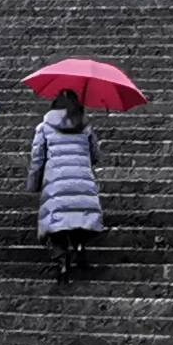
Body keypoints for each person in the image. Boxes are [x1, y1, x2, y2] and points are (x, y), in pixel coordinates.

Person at [30, 91, 105, 280]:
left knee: (57, 222)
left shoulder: (44, 127)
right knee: (80, 214)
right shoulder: (85, 126)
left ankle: (62, 261)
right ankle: (80, 245)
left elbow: (37, 159)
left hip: (56, 182)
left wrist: (33, 183)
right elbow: (95, 155)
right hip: (82, 179)